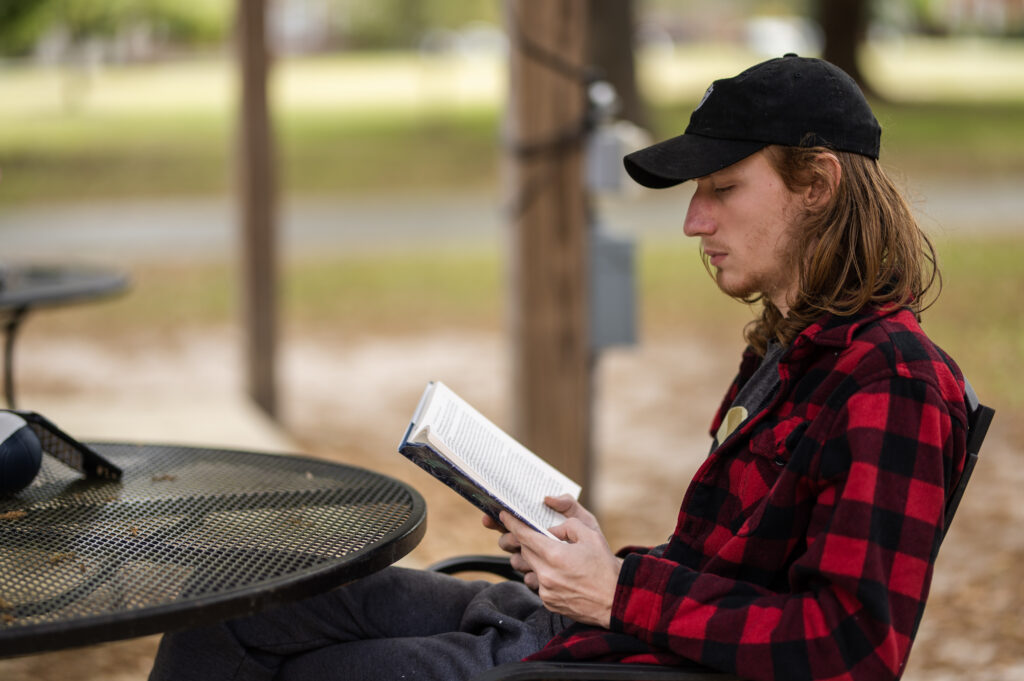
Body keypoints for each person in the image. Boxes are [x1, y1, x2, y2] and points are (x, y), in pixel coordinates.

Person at [148, 54, 969, 681]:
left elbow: (855, 649)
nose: (693, 220)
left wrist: (615, 591)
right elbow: (724, 567)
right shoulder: (790, 350)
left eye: (722, 187)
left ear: (816, 183)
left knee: (327, 670)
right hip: (607, 625)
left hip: (631, 657)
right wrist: (592, 557)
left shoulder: (891, 381)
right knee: (241, 599)